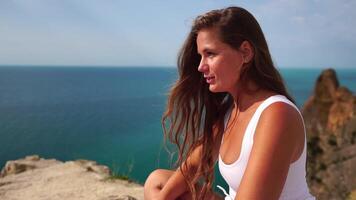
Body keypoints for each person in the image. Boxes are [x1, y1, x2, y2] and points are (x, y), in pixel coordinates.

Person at [144, 6, 315, 200]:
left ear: (245, 52)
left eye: (210, 54)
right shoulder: (231, 112)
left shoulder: (277, 114)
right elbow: (191, 166)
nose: (201, 66)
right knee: (158, 180)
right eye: (201, 56)